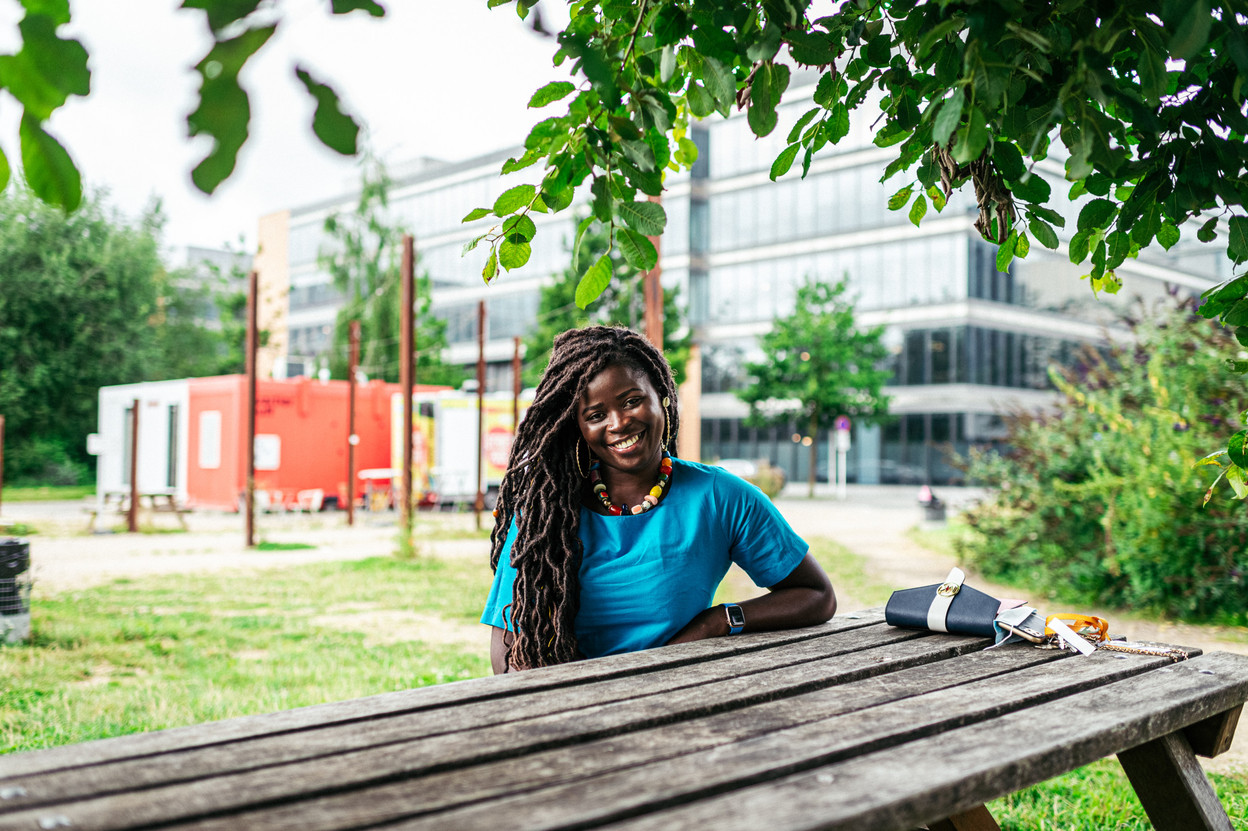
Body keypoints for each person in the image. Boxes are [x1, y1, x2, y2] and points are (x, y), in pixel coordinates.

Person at [481, 325, 836, 672]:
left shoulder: (720, 497)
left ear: (662, 399)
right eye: (596, 415)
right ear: (578, 428)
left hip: (675, 697)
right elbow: (507, 656)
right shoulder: (545, 517)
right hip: (570, 707)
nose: (618, 423)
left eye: (632, 401)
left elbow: (816, 595)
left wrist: (719, 621)